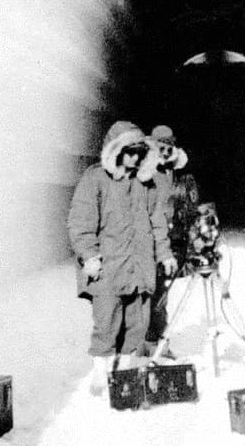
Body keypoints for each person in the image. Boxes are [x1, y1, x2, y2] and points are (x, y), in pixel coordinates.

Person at [67, 120, 177, 395]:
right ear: (116, 151)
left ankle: (127, 374)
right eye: (130, 151)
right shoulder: (95, 179)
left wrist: (164, 254)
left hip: (140, 267)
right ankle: (100, 374)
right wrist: (89, 255)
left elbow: (157, 222)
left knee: (137, 324)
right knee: (106, 324)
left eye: (140, 151)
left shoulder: (147, 184)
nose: (135, 157)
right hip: (108, 269)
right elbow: (80, 223)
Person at [143, 124, 190, 357]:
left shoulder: (174, 171)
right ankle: (147, 342)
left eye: (169, 146)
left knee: (161, 294)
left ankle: (157, 342)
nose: (164, 151)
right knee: (148, 294)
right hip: (147, 239)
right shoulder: (146, 171)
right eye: (160, 146)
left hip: (166, 238)